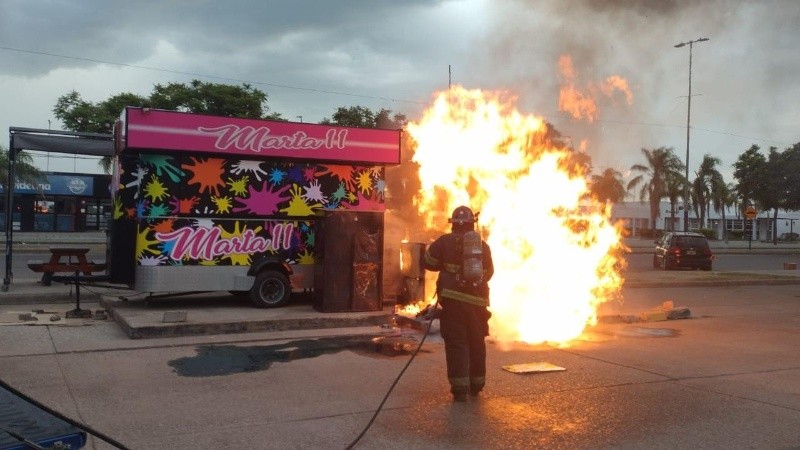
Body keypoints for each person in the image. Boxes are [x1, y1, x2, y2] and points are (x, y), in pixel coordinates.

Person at [423, 205, 494, 402]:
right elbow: (489, 273)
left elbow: (428, 262)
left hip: (454, 303)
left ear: (453, 224)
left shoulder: (445, 241)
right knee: (476, 342)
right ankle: (476, 385)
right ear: (472, 223)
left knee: (457, 344)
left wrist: (446, 267)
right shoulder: (482, 245)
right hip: (478, 304)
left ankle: (460, 389)